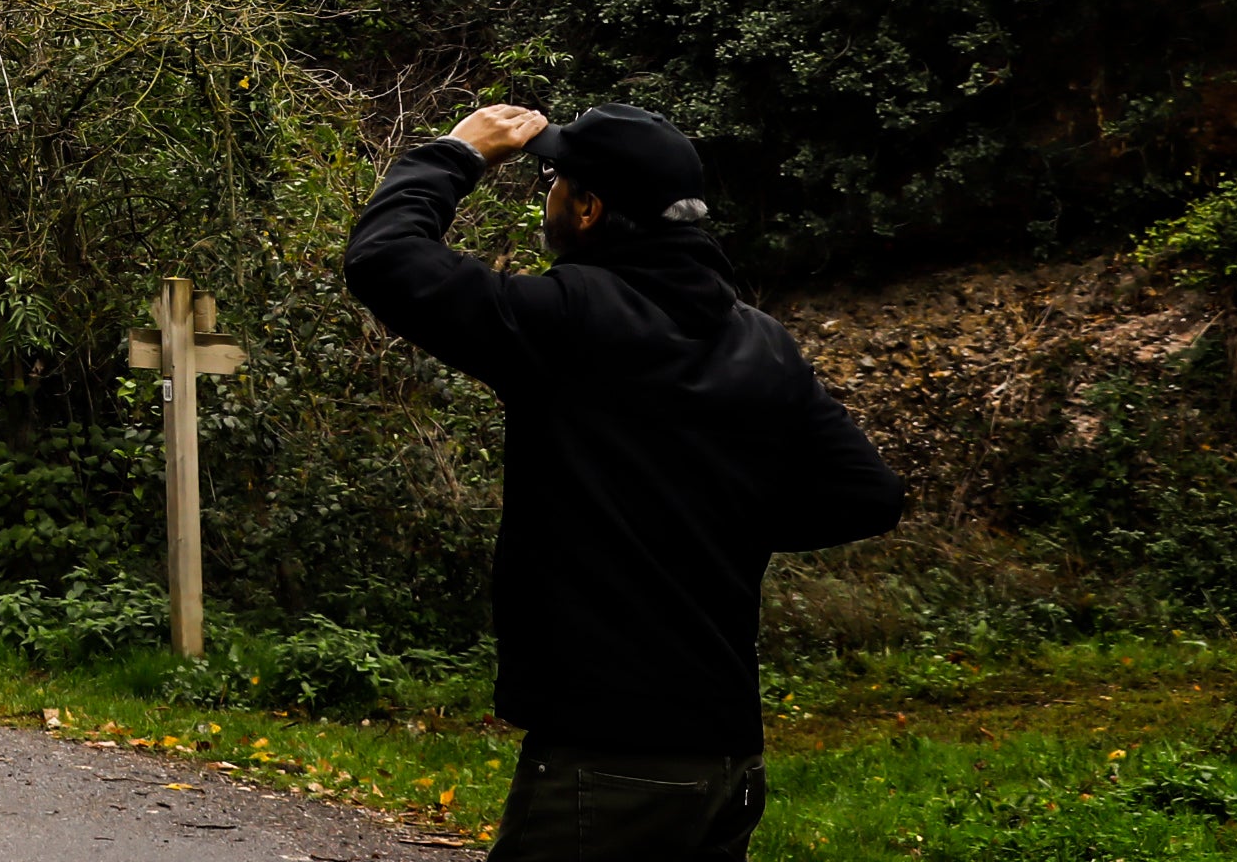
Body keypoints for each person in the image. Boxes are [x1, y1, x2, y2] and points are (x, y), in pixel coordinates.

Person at [344, 101, 904, 862]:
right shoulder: (762, 342)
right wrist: (709, 514)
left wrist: (457, 153)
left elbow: (386, 260)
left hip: (611, 759)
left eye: (554, 182)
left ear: (588, 208)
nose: (549, 197)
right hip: (727, 759)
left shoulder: (571, 320)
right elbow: (866, 495)